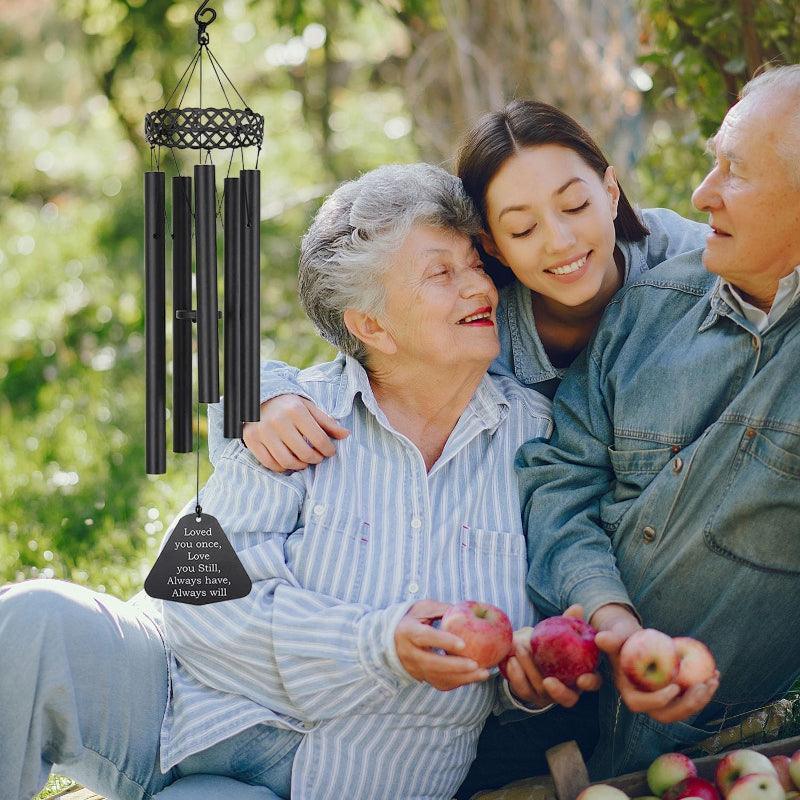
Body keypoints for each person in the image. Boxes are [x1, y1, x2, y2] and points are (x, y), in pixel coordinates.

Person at [0, 164, 601, 800]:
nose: (478, 286)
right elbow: (195, 602)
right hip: (175, 702)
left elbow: (516, 651)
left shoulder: (538, 441)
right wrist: (371, 643)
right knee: (32, 621)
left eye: (475, 265)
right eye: (440, 273)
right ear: (371, 327)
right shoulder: (295, 415)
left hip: (359, 774)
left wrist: (526, 685)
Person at [517, 64, 800, 778]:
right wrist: (607, 615)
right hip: (556, 725)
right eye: (713, 162)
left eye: (735, 172)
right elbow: (560, 480)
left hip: (739, 760)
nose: (702, 194)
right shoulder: (648, 306)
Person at [237, 99, 709, 478]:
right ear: (493, 246)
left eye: (575, 205)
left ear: (610, 191)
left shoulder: (684, 255)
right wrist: (263, 400)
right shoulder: (478, 326)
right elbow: (363, 361)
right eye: (523, 229)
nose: (560, 242)